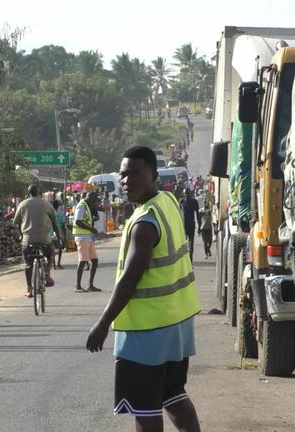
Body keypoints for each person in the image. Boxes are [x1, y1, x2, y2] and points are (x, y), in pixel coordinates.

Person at [86, 146, 201, 432]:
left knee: (145, 409)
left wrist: (103, 323)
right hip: (176, 324)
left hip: (146, 330)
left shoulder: (144, 223)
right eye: (123, 174)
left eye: (136, 174)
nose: (127, 181)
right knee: (173, 395)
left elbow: (130, 278)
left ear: (154, 176)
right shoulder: (168, 201)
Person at [14, 185, 59, 298]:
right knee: (50, 253)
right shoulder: (47, 204)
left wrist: (21, 236)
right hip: (44, 238)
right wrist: (59, 237)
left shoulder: (23, 204)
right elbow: (55, 223)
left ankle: (29, 289)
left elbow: (16, 223)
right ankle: (47, 273)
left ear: (29, 193)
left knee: (28, 264)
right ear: (39, 192)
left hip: (28, 239)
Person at [73, 192, 102, 293]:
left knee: (94, 260)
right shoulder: (81, 206)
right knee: (82, 261)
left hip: (87, 236)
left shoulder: (87, 205)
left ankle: (90, 285)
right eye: (94, 199)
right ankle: (78, 286)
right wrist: (91, 228)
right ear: (90, 198)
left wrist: (91, 230)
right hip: (82, 237)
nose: (95, 202)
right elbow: (78, 221)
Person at [181, 188, 201, 262]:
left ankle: (190, 261)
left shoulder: (194, 202)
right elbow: (177, 213)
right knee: (182, 245)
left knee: (191, 245)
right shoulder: (182, 202)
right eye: (185, 194)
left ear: (190, 194)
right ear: (183, 194)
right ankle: (183, 261)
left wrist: (199, 226)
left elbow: (198, 215)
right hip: (183, 226)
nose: (186, 195)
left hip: (191, 226)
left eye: (188, 193)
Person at [52, 200, 67, 270]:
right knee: (60, 248)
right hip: (58, 233)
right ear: (58, 206)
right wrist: (64, 236)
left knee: (52, 250)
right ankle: (58, 263)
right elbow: (63, 226)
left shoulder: (49, 213)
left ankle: (53, 264)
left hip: (50, 234)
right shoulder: (61, 213)